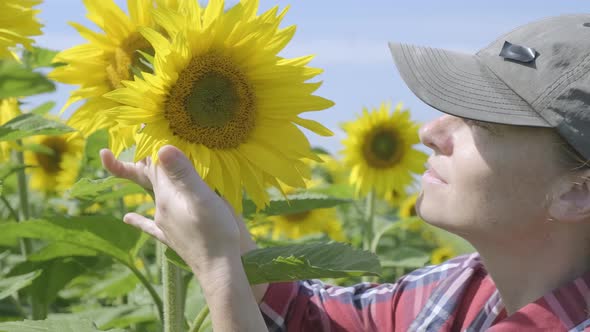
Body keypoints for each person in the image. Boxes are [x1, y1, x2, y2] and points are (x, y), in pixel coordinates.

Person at [100, 14, 590, 331]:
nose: (431, 131)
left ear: (578, 190)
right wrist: (223, 225)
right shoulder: (465, 288)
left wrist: (218, 269)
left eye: (482, 123)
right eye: (452, 110)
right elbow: (313, 317)